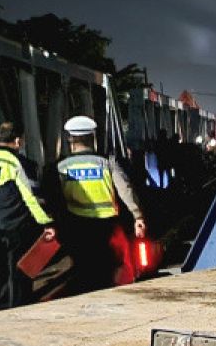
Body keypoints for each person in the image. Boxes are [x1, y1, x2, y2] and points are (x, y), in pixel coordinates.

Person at [47, 115, 146, 293]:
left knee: (85, 270)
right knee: (112, 267)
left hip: (77, 225)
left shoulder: (60, 167)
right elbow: (126, 189)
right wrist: (137, 215)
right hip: (107, 226)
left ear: (70, 139)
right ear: (93, 138)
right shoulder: (107, 162)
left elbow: (54, 199)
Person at [0, 122, 55, 310]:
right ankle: (17, 306)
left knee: (1, 269)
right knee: (19, 269)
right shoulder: (18, 162)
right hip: (16, 224)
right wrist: (46, 222)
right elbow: (30, 196)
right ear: (17, 141)